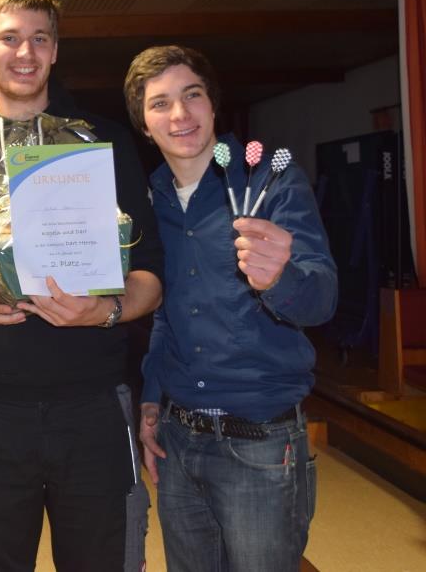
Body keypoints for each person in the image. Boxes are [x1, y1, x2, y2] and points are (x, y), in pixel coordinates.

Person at [0, 0, 164, 571]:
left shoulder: (103, 142)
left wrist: (104, 310)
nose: (25, 52)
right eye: (9, 38)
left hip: (94, 402)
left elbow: (151, 273)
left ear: (55, 50)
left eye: (40, 38)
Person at [123, 45, 337, 571]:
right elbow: (165, 313)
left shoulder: (271, 183)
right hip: (177, 438)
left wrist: (280, 278)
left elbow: (323, 298)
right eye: (160, 103)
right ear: (145, 125)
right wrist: (151, 401)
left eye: (192, 95)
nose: (180, 114)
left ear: (213, 104)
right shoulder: (152, 199)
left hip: (260, 440)